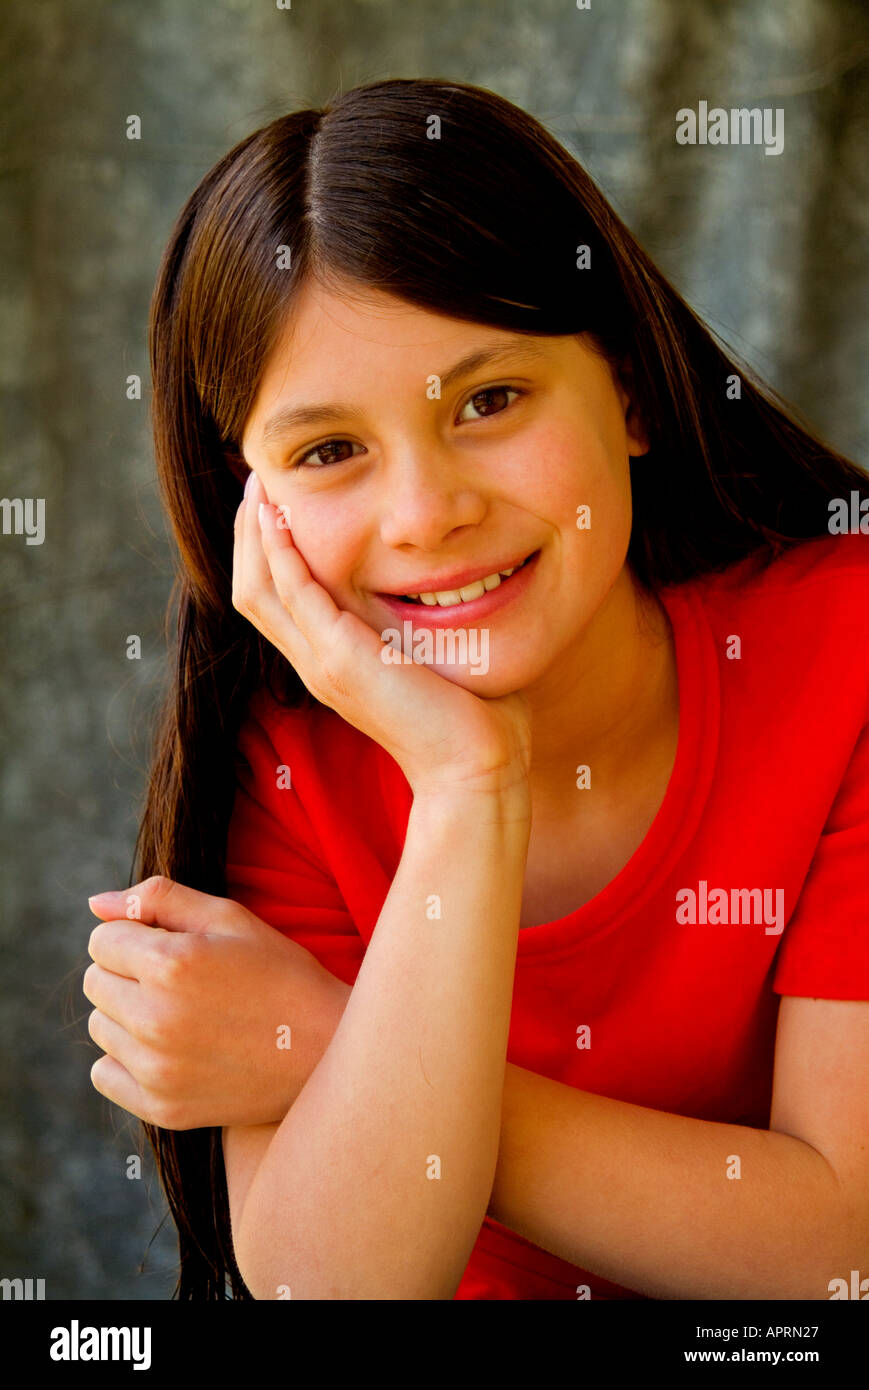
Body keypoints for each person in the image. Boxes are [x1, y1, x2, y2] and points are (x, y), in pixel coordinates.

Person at [82, 77, 869, 1300]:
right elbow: (331, 1289)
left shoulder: (846, 648)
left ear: (629, 391)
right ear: (250, 504)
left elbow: (839, 1248)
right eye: (328, 450)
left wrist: (323, 1045)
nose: (426, 513)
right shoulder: (282, 772)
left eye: (489, 401)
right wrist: (466, 778)